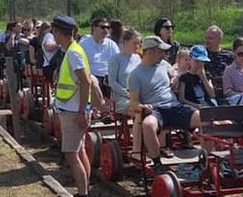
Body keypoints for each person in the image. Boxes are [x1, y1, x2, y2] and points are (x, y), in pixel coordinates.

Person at [129, 36, 202, 172]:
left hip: (174, 106)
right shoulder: (135, 74)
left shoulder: (163, 64)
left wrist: (175, 77)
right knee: (148, 125)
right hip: (156, 109)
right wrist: (142, 107)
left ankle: (206, 159)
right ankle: (157, 162)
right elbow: (134, 102)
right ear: (150, 52)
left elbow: (174, 70)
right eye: (160, 51)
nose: (164, 54)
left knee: (204, 117)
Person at [51, 15, 94, 197]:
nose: (53, 35)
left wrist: (81, 112)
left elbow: (85, 82)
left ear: (60, 33)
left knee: (71, 154)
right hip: (73, 109)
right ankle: (85, 190)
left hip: (73, 111)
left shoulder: (74, 53)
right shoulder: (73, 50)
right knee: (80, 151)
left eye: (54, 32)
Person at [79, 17, 120, 97]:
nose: (106, 30)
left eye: (108, 27)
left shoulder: (112, 45)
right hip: (92, 77)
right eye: (102, 27)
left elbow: (118, 62)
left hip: (108, 78)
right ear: (94, 28)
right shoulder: (84, 44)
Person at [108, 28, 142, 114]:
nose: (137, 46)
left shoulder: (138, 58)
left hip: (138, 96)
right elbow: (112, 82)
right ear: (125, 42)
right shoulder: (115, 59)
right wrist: (127, 94)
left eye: (139, 43)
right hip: (121, 99)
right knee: (139, 109)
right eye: (134, 43)